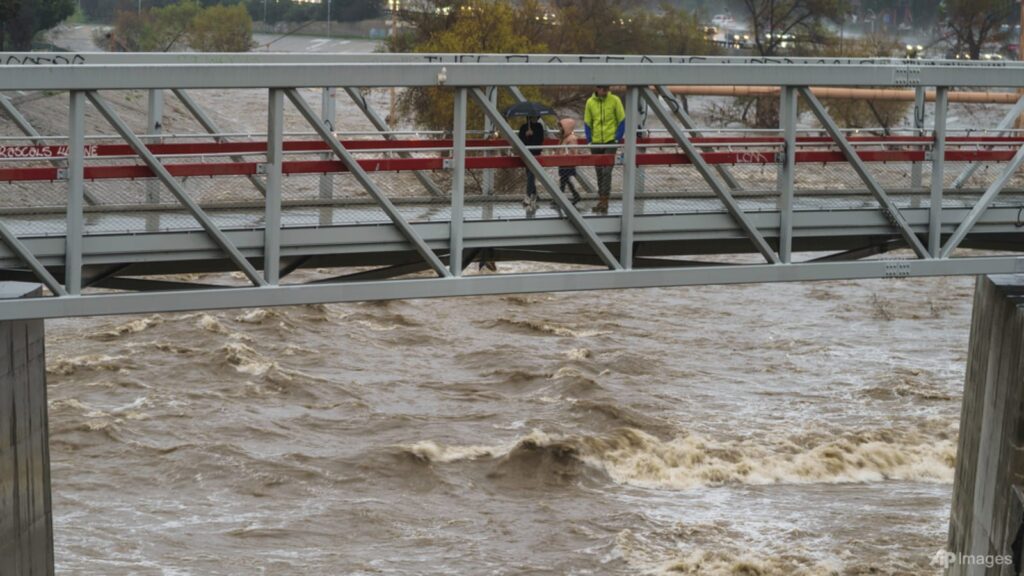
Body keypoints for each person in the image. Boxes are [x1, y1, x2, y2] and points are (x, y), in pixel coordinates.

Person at [583, 85, 625, 214]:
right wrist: (590, 140)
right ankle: (601, 199)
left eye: (607, 88)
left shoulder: (615, 100)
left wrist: (617, 138)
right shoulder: (590, 102)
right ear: (597, 88)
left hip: (610, 141)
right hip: (595, 142)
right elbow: (587, 122)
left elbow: (622, 120)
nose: (605, 90)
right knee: (599, 172)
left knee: (607, 171)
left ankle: (604, 201)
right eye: (603, 88)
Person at [517, 115, 545, 207]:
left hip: (535, 154)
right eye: (532, 117)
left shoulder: (539, 127)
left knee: (531, 174)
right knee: (529, 174)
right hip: (526, 154)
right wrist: (526, 135)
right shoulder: (523, 127)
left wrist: (533, 135)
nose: (534, 119)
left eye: (536, 117)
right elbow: (520, 141)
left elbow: (540, 140)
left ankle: (529, 196)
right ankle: (534, 194)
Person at [557, 117, 582, 205]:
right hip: (563, 162)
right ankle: (574, 196)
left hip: (568, 162)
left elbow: (573, 150)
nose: (560, 129)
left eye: (561, 127)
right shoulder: (564, 137)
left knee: (564, 180)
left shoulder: (571, 138)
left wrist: (564, 154)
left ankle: (561, 198)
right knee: (564, 180)